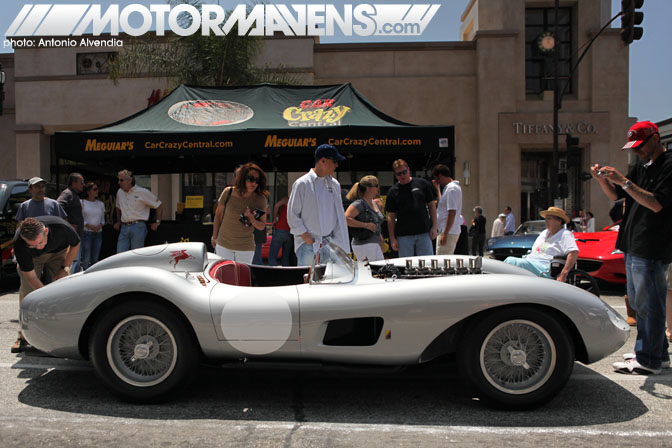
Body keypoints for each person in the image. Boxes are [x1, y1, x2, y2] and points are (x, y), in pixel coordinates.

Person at [592, 120, 672, 375]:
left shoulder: (668, 165)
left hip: (651, 244)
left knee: (650, 303)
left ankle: (648, 358)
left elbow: (656, 204)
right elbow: (618, 196)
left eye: (640, 146)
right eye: (633, 147)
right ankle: (657, 353)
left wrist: (624, 181)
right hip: (633, 241)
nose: (636, 151)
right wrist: (603, 180)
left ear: (655, 139)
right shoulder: (643, 165)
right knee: (640, 301)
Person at [11, 216, 80, 353]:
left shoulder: (62, 228)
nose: (38, 247)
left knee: (64, 288)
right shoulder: (20, 243)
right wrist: (45, 296)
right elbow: (31, 277)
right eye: (33, 245)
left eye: (40, 242)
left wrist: (65, 268)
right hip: (32, 259)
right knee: (26, 291)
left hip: (57, 253)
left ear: (46, 231)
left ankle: (66, 333)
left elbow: (75, 244)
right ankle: (23, 336)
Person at [287, 144, 349, 266]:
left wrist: (336, 241)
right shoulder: (302, 184)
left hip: (329, 243)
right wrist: (306, 236)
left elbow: (338, 215)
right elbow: (292, 214)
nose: (337, 165)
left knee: (328, 282)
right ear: (323, 161)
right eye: (334, 161)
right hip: (307, 244)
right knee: (307, 281)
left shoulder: (335, 184)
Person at [211, 163, 268, 264]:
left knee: (242, 279)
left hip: (245, 247)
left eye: (257, 180)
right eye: (250, 179)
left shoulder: (260, 199)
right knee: (224, 277)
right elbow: (218, 215)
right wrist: (214, 236)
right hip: (224, 244)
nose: (254, 183)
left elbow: (262, 226)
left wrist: (252, 219)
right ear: (242, 178)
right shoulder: (228, 192)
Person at [504, 207, 578, 282]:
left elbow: (573, 253)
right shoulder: (545, 232)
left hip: (545, 268)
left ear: (559, 221)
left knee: (511, 261)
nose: (546, 221)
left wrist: (563, 274)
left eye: (549, 218)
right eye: (546, 218)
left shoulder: (565, 234)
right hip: (531, 261)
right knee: (505, 263)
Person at [385, 160, 437, 257]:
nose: (402, 176)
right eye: (399, 174)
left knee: (427, 263)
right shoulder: (393, 191)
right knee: (405, 265)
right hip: (404, 235)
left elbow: (432, 205)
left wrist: (434, 226)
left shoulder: (422, 184)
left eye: (404, 172)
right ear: (394, 175)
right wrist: (392, 238)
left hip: (424, 232)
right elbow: (391, 217)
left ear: (408, 170)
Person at [114, 169, 163, 253]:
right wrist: (118, 222)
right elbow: (118, 207)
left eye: (121, 180)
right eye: (118, 180)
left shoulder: (142, 192)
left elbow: (159, 205)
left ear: (129, 180)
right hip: (124, 227)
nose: (119, 182)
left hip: (138, 226)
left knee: (136, 254)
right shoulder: (119, 192)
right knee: (119, 255)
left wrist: (158, 222)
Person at [345, 175, 385, 262]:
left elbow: (377, 225)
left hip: (375, 242)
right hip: (363, 244)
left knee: (379, 271)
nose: (378, 188)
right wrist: (366, 225)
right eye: (376, 185)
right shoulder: (359, 203)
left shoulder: (374, 203)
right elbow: (346, 219)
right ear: (368, 188)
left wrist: (381, 240)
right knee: (370, 271)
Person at [57, 173, 85, 272]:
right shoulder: (67, 193)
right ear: (74, 183)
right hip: (71, 236)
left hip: (76, 235)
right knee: (72, 261)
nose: (83, 185)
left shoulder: (74, 195)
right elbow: (59, 206)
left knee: (76, 261)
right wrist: (67, 224)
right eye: (81, 183)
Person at [430, 164, 460, 255]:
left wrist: (445, 234)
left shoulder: (451, 189)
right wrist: (438, 189)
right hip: (446, 230)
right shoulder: (450, 188)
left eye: (437, 178)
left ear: (440, 176)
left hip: (447, 231)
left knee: (442, 261)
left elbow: (452, 212)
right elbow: (441, 205)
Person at [80, 181, 105, 270]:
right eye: (95, 189)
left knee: (95, 259)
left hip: (98, 233)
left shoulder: (101, 204)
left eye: (97, 189)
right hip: (87, 233)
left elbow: (103, 219)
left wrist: (100, 225)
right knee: (86, 259)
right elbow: (81, 219)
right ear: (88, 191)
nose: (97, 191)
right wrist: (90, 226)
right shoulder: (82, 202)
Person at [268, 196, 293, 266]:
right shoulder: (296, 202)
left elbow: (276, 205)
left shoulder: (286, 199)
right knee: (286, 257)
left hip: (280, 229)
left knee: (272, 256)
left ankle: (273, 273)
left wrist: (274, 219)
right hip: (290, 231)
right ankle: (285, 274)